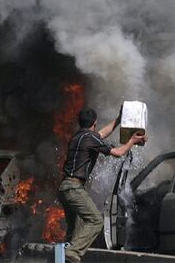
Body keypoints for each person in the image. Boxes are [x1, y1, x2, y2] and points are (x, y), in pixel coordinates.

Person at [58, 108, 147, 263]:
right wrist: (132, 141)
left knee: (75, 231)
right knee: (96, 221)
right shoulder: (90, 138)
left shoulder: (79, 137)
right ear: (95, 122)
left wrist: (119, 119)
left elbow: (102, 134)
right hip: (74, 188)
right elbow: (119, 153)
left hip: (65, 188)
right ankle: (71, 254)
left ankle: (62, 258)